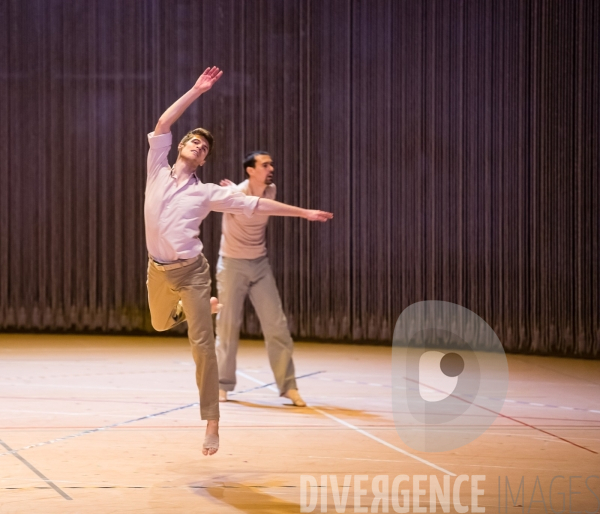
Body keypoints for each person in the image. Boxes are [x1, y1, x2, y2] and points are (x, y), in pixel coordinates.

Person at [144, 67, 333, 456]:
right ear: (179, 147)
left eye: (205, 147)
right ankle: (204, 308)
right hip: (157, 270)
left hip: (193, 272)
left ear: (205, 160)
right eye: (194, 141)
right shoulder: (156, 170)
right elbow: (164, 120)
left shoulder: (209, 193)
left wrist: (303, 213)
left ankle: (212, 422)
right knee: (160, 322)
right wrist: (197, 89)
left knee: (202, 346)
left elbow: (257, 204)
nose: (199, 146)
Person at [215, 152, 307, 407]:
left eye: (271, 164)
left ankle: (288, 386)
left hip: (260, 265)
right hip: (232, 264)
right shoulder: (232, 194)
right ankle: (222, 384)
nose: (271, 168)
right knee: (228, 326)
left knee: (277, 326)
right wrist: (236, 195)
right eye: (265, 165)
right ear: (250, 170)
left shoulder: (270, 190)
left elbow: (258, 208)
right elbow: (244, 207)